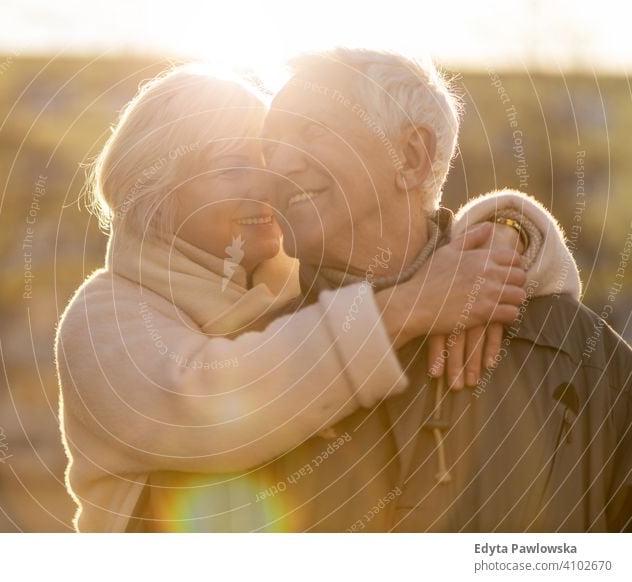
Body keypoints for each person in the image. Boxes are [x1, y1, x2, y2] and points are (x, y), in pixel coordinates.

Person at [55, 64, 574, 532]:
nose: (271, 182)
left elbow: (409, 241)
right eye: (235, 166)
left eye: (274, 157)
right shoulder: (104, 320)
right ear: (155, 194)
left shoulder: (295, 286)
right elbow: (216, 401)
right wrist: (412, 305)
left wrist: (505, 237)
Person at [260, 47, 631, 531]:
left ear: (411, 157)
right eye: (269, 147)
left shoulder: (576, 354)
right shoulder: (244, 364)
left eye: (312, 131)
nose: (278, 164)